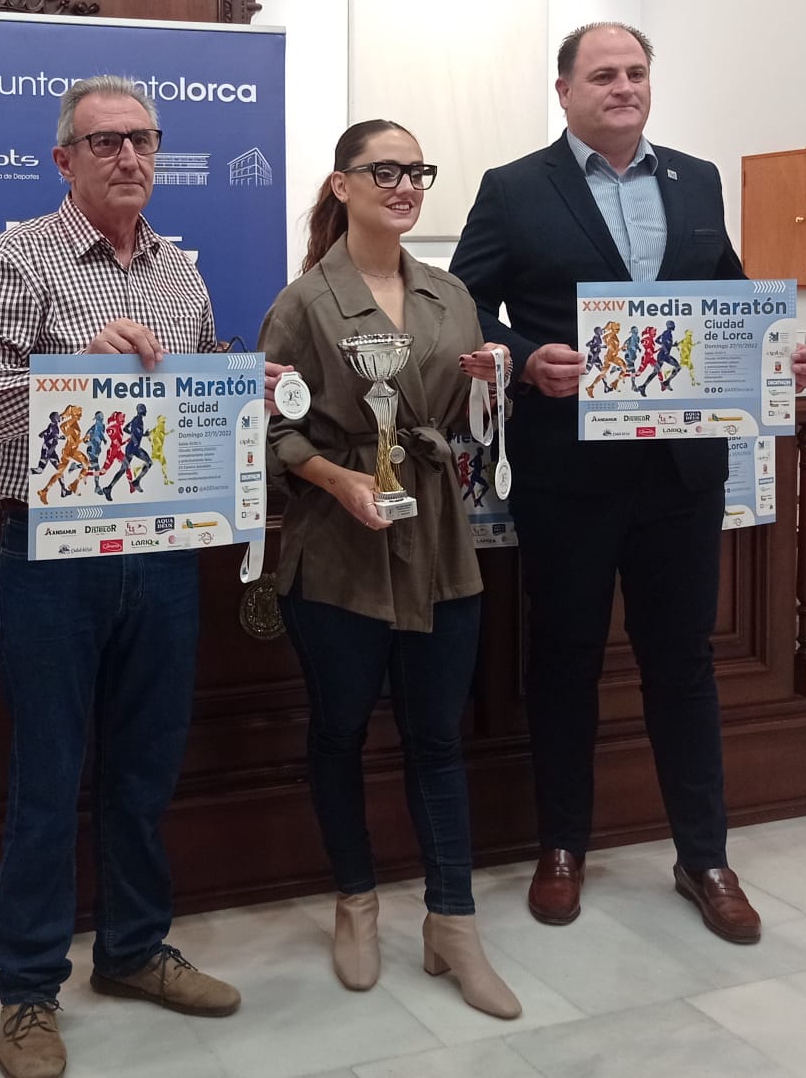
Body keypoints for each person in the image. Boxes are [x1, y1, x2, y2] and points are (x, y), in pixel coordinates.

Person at [450, 22, 806, 945]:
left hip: (681, 471)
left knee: (683, 666)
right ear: (566, 90)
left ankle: (704, 856)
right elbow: (463, 303)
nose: (624, 87)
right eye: (604, 75)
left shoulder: (695, 179)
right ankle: (562, 846)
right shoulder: (513, 187)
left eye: (637, 73)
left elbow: (728, 296)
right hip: (567, 470)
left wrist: (778, 356)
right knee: (566, 660)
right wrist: (525, 356)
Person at [0, 75, 282, 1078]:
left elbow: (197, 396)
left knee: (143, 770)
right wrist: (74, 370)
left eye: (141, 138)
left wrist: (246, 386)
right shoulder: (17, 259)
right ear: (63, 160)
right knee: (48, 780)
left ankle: (133, 950)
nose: (127, 157)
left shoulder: (180, 275)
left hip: (163, 550)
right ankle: (26, 991)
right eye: (103, 143)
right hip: (52, 553)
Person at [257, 119, 524, 1020]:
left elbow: (470, 421)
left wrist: (492, 383)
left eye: (416, 171)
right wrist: (335, 480)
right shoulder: (305, 300)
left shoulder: (453, 295)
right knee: (339, 733)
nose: (405, 185)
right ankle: (357, 903)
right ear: (342, 185)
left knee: (438, 738)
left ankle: (452, 921)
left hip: (440, 543)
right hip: (338, 552)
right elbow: (270, 427)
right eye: (385, 170)